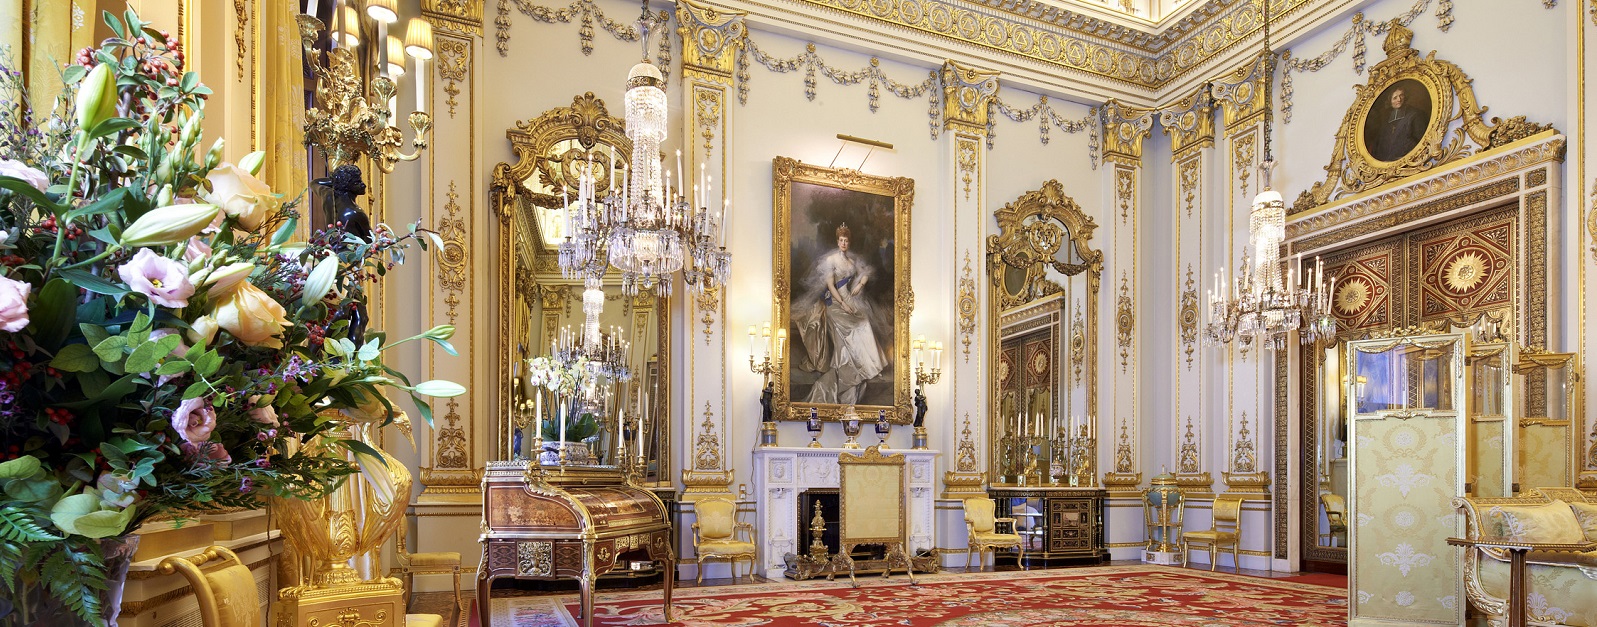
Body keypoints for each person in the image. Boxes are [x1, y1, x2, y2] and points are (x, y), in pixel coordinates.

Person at [791, 223, 887, 405]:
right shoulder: (831, 260)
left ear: (849, 243)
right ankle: (854, 366)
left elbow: (865, 273)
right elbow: (830, 285)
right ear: (837, 241)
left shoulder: (851, 262)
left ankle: (869, 365)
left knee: (864, 322)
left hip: (851, 300)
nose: (843, 243)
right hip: (835, 302)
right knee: (850, 328)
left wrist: (860, 284)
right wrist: (842, 304)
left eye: (846, 241)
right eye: (841, 240)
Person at [1370, 85, 1425, 162]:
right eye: (1395, 98)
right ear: (1389, 101)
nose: (1399, 99)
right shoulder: (1385, 121)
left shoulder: (1414, 114)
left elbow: (1421, 140)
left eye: (1401, 95)